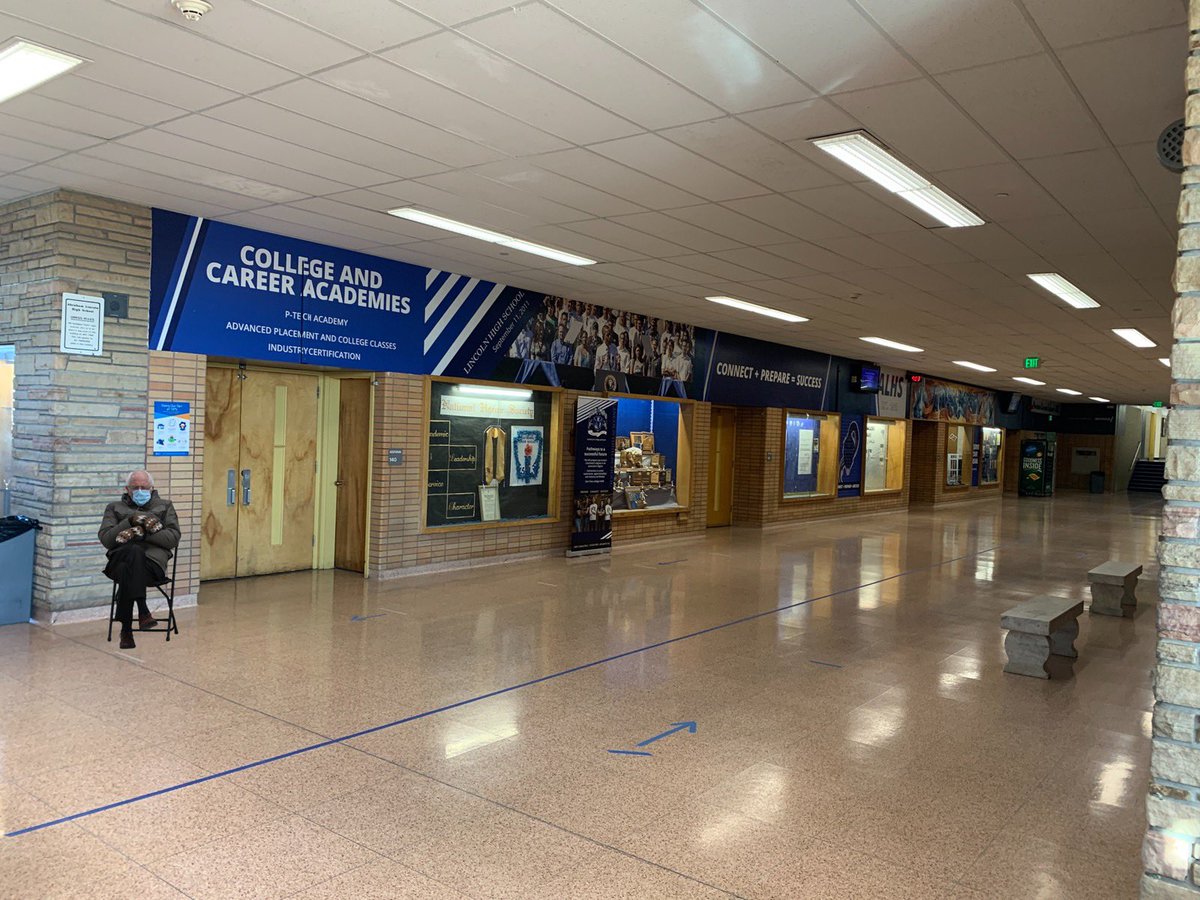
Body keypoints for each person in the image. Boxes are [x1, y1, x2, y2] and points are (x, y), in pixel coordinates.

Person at [98, 470, 180, 649]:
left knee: (129, 562)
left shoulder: (165, 506)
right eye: (135, 488)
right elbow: (107, 540)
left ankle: (126, 630)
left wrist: (142, 533)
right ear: (127, 489)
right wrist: (130, 521)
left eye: (144, 487)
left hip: (151, 565)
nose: (140, 491)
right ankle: (143, 610)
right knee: (132, 554)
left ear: (152, 488)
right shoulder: (114, 508)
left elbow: (172, 539)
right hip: (119, 561)